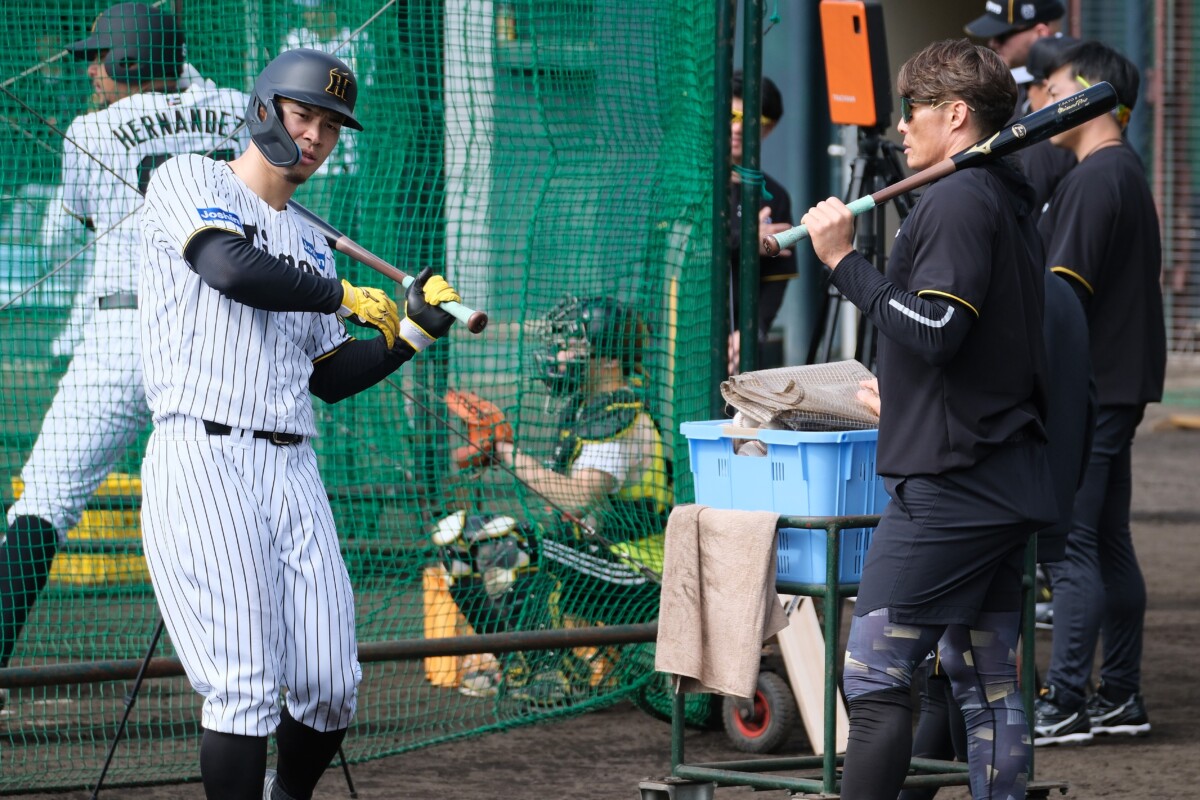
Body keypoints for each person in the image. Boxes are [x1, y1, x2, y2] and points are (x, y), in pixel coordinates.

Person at [136, 48, 461, 800]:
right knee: (244, 688)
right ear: (264, 109)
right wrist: (340, 293)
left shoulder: (311, 238)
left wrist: (409, 333)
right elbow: (227, 266)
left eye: (330, 125)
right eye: (302, 113)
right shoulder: (189, 178)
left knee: (328, 683)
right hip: (202, 454)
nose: (314, 135)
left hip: (290, 464)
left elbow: (330, 378)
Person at [801, 39, 1057, 800]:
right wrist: (905, 400)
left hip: (955, 489)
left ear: (956, 114)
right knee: (986, 683)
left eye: (914, 110)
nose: (901, 128)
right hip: (998, 471)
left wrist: (845, 262)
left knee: (874, 680)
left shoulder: (958, 198)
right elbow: (973, 348)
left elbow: (938, 329)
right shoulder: (1000, 194)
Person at [0, 2, 250, 707]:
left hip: (123, 335)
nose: (88, 68)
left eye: (99, 56)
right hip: (215, 335)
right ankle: (254, 681)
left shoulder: (89, 130)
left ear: (129, 62)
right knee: (224, 508)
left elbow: (75, 223)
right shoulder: (238, 108)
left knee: (44, 501)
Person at [436, 295, 672, 701]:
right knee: (460, 538)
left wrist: (503, 450)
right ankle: (520, 664)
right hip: (599, 560)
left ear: (610, 360)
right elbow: (558, 505)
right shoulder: (585, 409)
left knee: (516, 543)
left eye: (574, 347)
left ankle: (551, 672)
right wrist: (502, 448)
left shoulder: (622, 415)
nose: (560, 355)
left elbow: (574, 496)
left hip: (640, 574)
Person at [1033, 39, 1165, 747]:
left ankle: (1069, 702)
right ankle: (1120, 694)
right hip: (1120, 381)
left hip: (1094, 386)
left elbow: (1062, 303)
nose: (1041, 98)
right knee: (1107, 539)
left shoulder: (1092, 178)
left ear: (1084, 91)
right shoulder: (1119, 170)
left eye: (1051, 85)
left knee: (1074, 544)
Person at [727, 71, 796, 372]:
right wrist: (744, 242)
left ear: (769, 129)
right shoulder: (689, 186)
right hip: (689, 334)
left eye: (753, 120)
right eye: (732, 114)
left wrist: (751, 332)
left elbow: (777, 278)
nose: (739, 127)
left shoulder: (775, 197)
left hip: (740, 347)